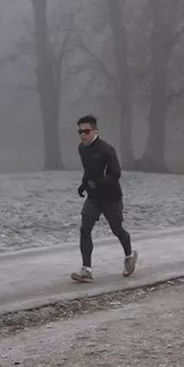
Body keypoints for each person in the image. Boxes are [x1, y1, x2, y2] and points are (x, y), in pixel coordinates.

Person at [71, 114, 137, 282]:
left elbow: (116, 173)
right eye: (80, 131)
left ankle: (130, 256)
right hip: (93, 197)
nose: (82, 135)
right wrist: (83, 185)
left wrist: (100, 183)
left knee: (116, 229)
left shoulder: (106, 149)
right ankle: (87, 269)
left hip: (111, 197)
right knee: (85, 229)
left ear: (95, 131)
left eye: (86, 131)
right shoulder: (82, 148)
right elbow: (88, 171)